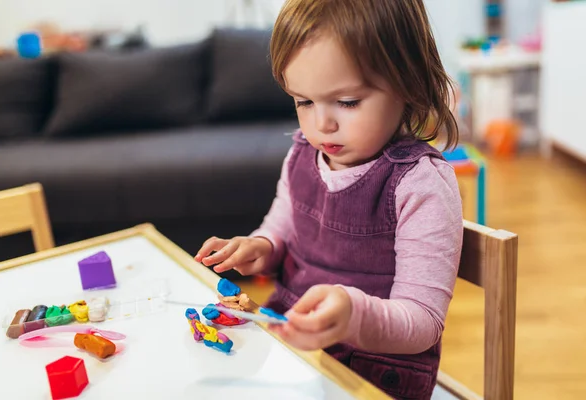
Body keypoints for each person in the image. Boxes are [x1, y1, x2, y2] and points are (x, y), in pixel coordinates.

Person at [194, 0, 464, 398]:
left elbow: (423, 323)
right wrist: (262, 246)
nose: (322, 124)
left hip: (372, 374)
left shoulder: (421, 183)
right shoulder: (302, 152)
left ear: (410, 83)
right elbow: (282, 223)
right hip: (292, 352)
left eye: (348, 102)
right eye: (303, 101)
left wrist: (354, 315)